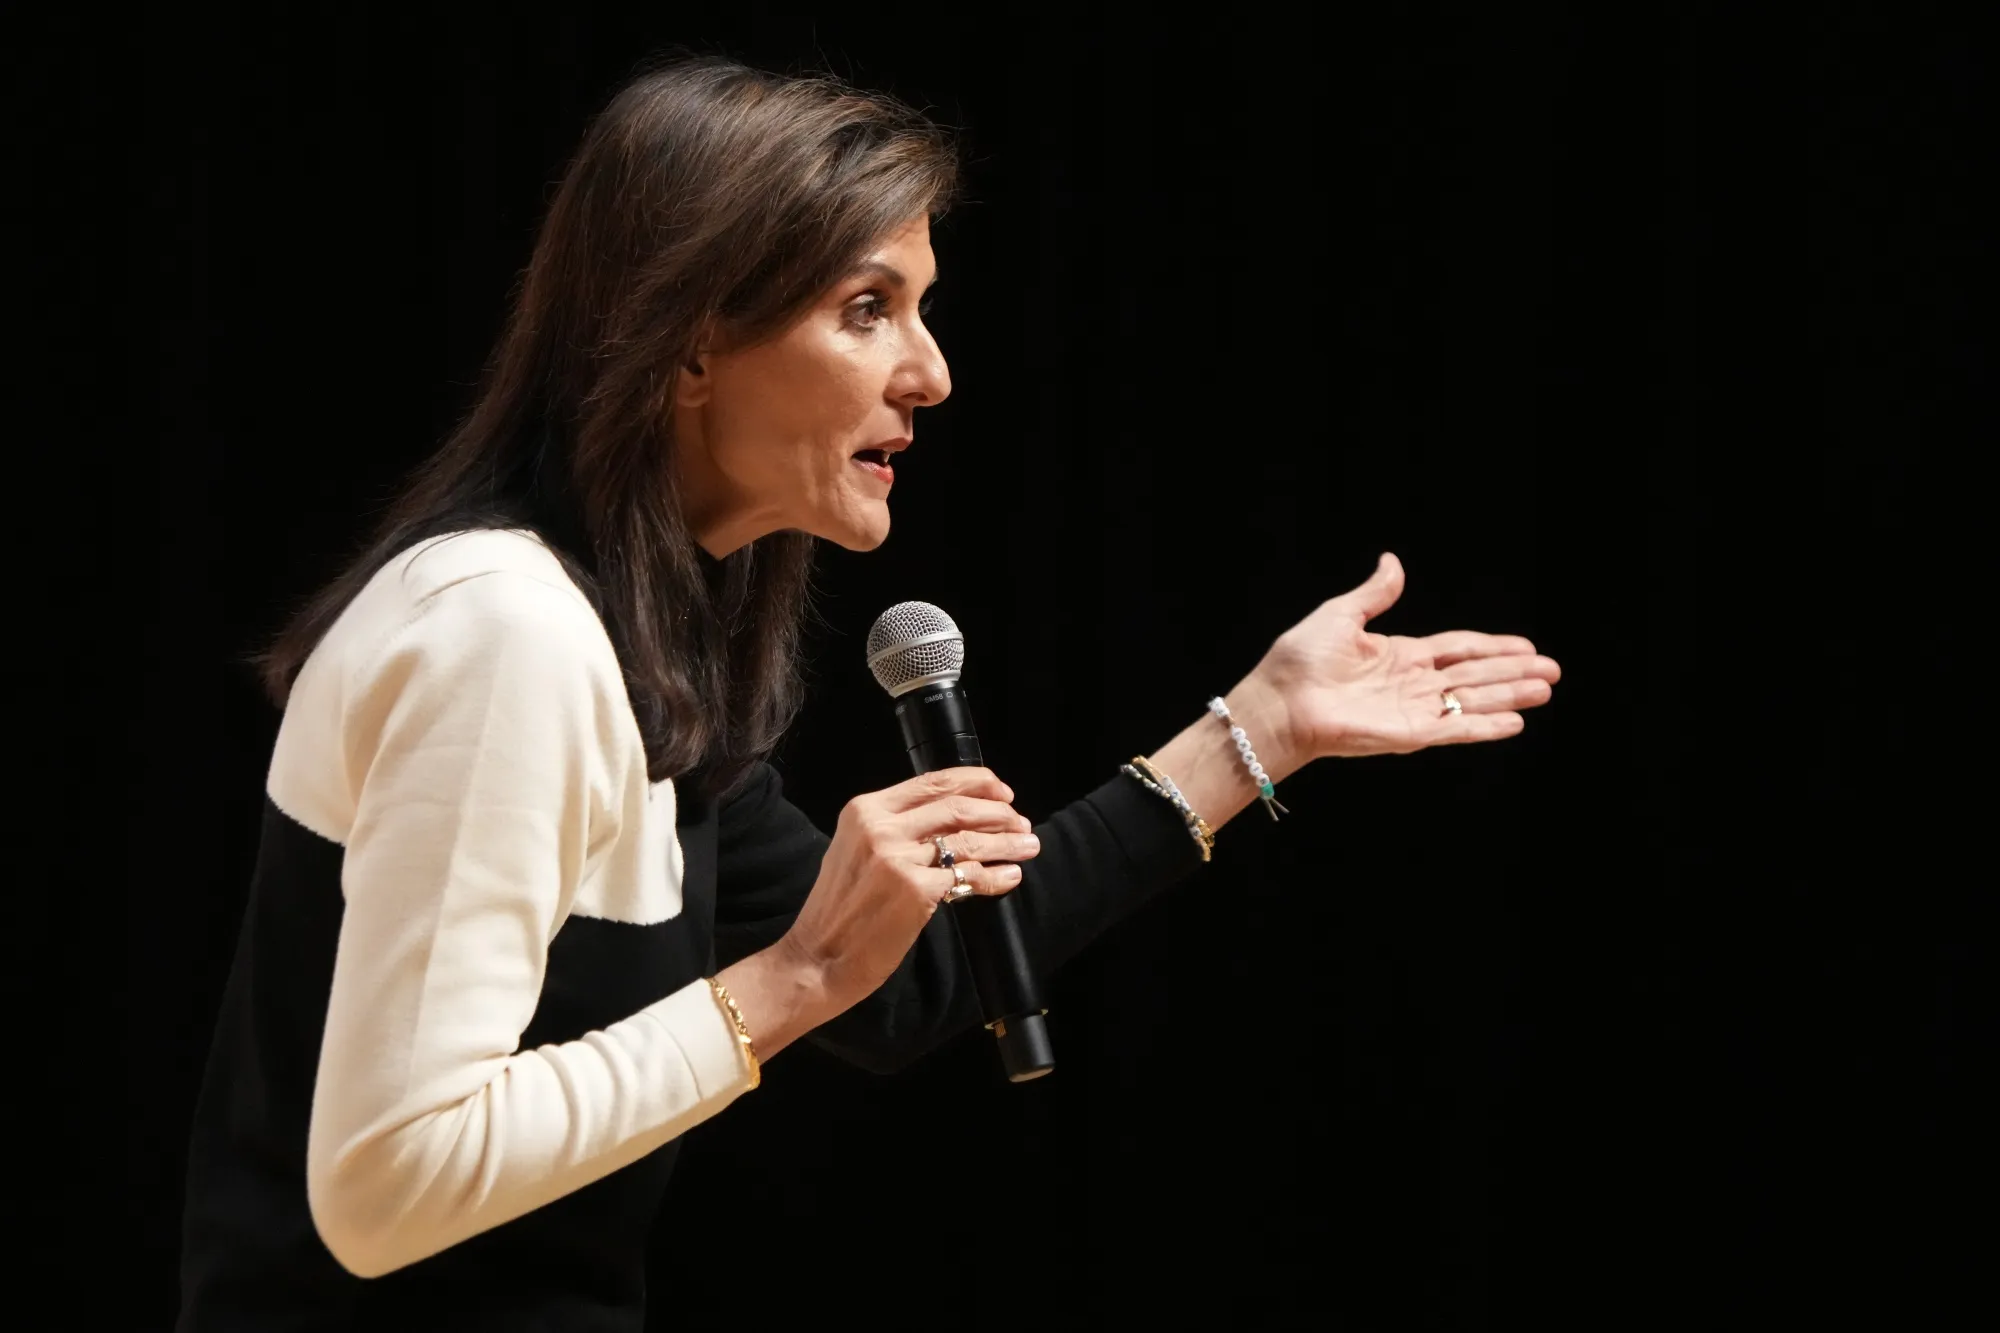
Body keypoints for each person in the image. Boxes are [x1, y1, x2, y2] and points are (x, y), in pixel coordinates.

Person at [176, 56, 1561, 1331]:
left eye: (921, 307)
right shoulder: (505, 638)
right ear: (692, 338)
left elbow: (902, 993)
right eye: (867, 309)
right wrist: (787, 983)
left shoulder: (624, 635)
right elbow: (385, 1187)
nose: (934, 373)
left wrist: (1254, 732)